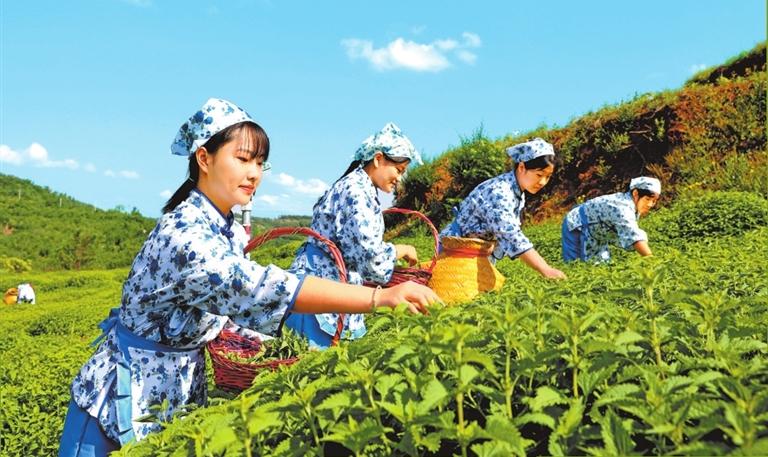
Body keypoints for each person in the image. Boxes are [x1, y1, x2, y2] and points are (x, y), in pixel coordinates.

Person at [58, 98, 440, 457]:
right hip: (121, 397)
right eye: (242, 159)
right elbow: (256, 288)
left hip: (171, 387)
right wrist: (379, 298)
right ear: (203, 158)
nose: (254, 173)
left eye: (260, 163)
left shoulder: (221, 226)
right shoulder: (186, 235)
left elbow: (219, 309)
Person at [284, 122, 422, 348]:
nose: (399, 179)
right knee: (312, 364)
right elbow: (367, 255)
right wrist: (399, 250)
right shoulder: (356, 192)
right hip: (322, 283)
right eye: (398, 170)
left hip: (326, 280)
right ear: (378, 159)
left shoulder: (359, 187)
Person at [439, 138, 567, 279]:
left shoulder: (517, 191)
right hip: (454, 251)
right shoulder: (500, 192)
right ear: (522, 167)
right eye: (539, 175)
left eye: (547, 177)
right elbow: (510, 234)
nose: (543, 182)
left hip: (474, 254)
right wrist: (546, 269)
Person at [561, 177, 661, 263]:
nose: (650, 204)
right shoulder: (622, 207)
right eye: (647, 199)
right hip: (578, 225)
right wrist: (652, 261)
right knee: (578, 266)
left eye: (654, 201)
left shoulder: (632, 205)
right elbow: (634, 236)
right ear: (635, 193)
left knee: (600, 267)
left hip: (597, 232)